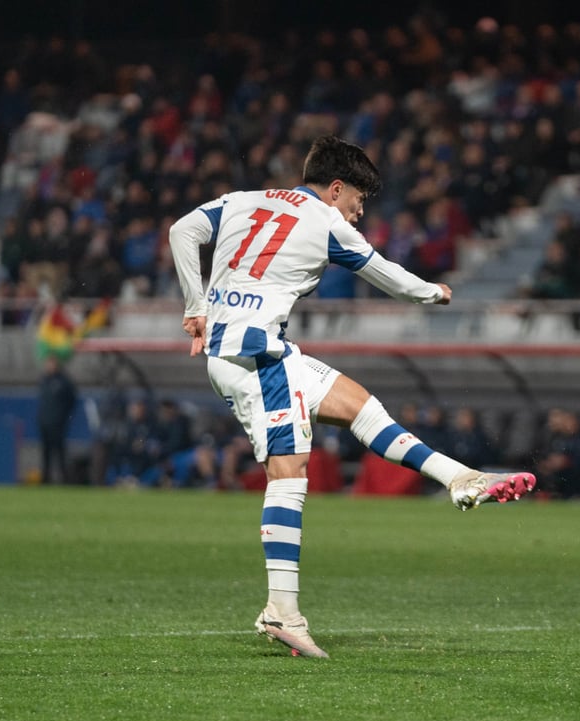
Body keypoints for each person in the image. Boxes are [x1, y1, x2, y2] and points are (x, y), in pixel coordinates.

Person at [169, 135, 536, 659]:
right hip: (258, 358)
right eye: (358, 202)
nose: (358, 214)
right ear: (335, 188)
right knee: (289, 471)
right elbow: (385, 274)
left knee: (359, 406)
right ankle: (281, 611)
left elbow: (182, 230)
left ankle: (459, 478)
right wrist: (433, 292)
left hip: (253, 350)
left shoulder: (245, 200)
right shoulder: (324, 220)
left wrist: (195, 304)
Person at [37, 354, 78, 484]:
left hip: (59, 423)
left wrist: (64, 416)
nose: (50, 366)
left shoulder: (64, 381)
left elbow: (72, 400)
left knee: (60, 452)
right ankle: (45, 479)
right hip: (45, 422)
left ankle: (64, 479)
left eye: (52, 364)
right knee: (45, 452)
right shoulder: (44, 380)